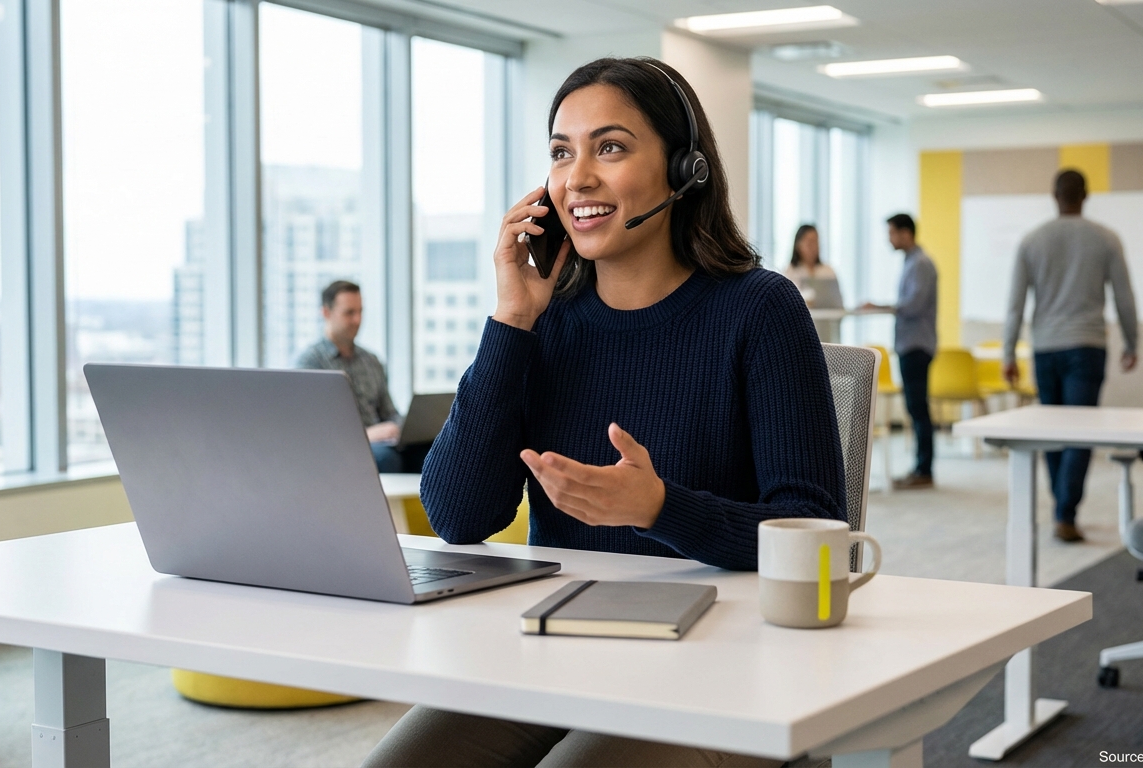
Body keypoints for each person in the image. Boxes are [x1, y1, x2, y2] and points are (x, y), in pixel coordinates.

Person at [362, 57, 846, 768]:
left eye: (610, 147)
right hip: (560, 648)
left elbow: (822, 537)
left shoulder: (758, 309)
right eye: (562, 152)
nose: (577, 177)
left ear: (685, 171)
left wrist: (659, 507)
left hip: (726, 663)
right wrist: (511, 321)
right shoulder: (545, 321)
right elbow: (460, 515)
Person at [1003, 169, 1138, 543]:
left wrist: (1008, 352)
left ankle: (1061, 507)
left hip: (1045, 348)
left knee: (1053, 431)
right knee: (1080, 432)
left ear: (1054, 195)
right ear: (1086, 195)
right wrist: (1132, 341)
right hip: (1087, 346)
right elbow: (1124, 296)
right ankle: (1066, 511)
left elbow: (1015, 305)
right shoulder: (1106, 239)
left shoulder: (1032, 240)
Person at [296, 280, 408, 473]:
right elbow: (313, 430)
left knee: (431, 454)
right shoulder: (310, 364)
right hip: (344, 448)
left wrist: (404, 429)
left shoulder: (372, 361)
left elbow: (389, 412)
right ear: (326, 313)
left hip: (382, 442)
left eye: (360, 312)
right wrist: (368, 435)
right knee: (386, 459)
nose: (357, 320)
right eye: (349, 313)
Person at [861, 214, 938, 490]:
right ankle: (921, 468)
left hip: (917, 345)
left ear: (906, 233)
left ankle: (924, 469)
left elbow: (913, 305)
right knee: (916, 407)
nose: (889, 239)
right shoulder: (911, 262)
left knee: (918, 408)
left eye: (892, 233)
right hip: (911, 344)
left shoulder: (920, 264)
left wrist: (880, 307)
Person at [783, 224, 843, 341]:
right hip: (802, 332)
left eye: (816, 241)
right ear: (798, 244)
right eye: (809, 242)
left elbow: (838, 303)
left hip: (827, 330)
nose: (813, 247)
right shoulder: (790, 272)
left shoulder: (828, 271)